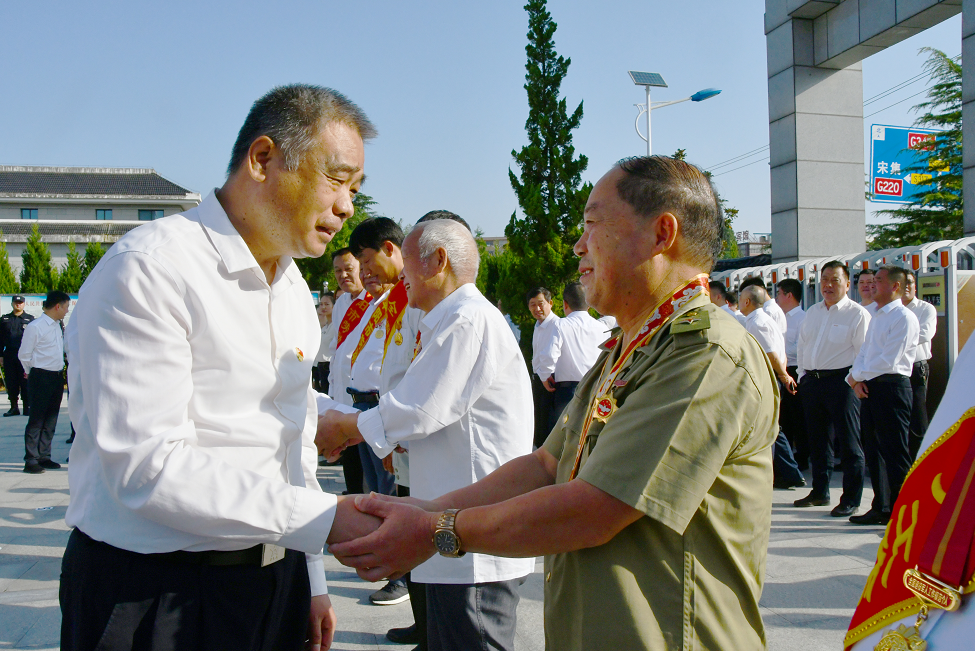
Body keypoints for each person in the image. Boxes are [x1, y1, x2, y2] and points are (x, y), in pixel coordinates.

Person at [323, 156, 779, 650]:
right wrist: (425, 511)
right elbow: (545, 465)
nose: (579, 245)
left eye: (592, 224)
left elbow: (596, 507)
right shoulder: (629, 348)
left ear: (661, 234)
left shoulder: (705, 354)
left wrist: (435, 527)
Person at [60, 84, 385, 651]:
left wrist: (310, 580)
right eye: (336, 180)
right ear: (262, 159)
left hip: (273, 577)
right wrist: (328, 520)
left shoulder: (291, 288)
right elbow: (148, 467)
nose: (347, 207)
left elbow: (289, 445)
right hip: (155, 590)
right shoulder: (152, 269)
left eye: (355, 189)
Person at [320, 218, 534, 651]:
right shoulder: (446, 319)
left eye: (408, 261)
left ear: (438, 261)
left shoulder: (467, 319)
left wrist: (347, 427)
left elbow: (419, 408)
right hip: (450, 522)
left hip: (473, 536)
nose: (402, 275)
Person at [794, 261, 871, 518]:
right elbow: (803, 345)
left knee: (849, 443)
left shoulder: (857, 314)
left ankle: (851, 498)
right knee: (818, 441)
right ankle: (820, 491)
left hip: (843, 382)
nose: (828, 285)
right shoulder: (813, 312)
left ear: (847, 284)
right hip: (813, 382)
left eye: (835, 280)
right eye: (824, 279)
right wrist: (802, 375)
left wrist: (854, 381)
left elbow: (863, 352)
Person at [847, 265, 919, 526]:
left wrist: (857, 376)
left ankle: (904, 513)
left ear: (895, 286)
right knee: (874, 450)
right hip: (870, 386)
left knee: (895, 452)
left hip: (891, 387)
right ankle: (881, 507)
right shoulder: (877, 315)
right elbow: (865, 352)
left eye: (878, 280)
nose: (871, 285)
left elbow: (889, 360)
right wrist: (855, 379)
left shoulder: (904, 317)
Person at [739, 285, 804, 489]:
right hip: (770, 377)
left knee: (769, 426)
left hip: (767, 378)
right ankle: (789, 473)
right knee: (772, 426)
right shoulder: (761, 320)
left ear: (747, 302)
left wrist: (783, 376)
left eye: (741, 299)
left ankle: (786, 473)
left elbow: (771, 353)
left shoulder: (757, 323)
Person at [539, 281, 607, 430]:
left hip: (567, 391)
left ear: (565, 304)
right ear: (588, 304)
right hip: (596, 388)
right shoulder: (602, 328)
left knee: (564, 435)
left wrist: (544, 376)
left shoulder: (560, 325)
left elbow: (549, 356)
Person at [328, 247, 367, 496]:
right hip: (342, 398)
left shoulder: (374, 301)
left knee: (370, 475)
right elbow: (336, 349)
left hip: (365, 400)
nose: (343, 275)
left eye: (348, 269)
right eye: (338, 271)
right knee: (351, 465)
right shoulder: (341, 303)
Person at [19, 291, 70, 473]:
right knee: (37, 419)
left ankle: (44, 456)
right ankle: (31, 459)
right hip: (40, 376)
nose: (66, 311)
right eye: (66, 307)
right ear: (57, 306)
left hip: (56, 376)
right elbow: (24, 354)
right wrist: (32, 372)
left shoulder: (57, 325)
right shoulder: (36, 326)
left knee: (50, 419)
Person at [901, 271, 937, 460]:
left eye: (910, 282)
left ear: (915, 286)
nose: (906, 286)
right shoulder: (889, 309)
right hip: (894, 370)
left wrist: (895, 339)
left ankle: (919, 460)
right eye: (902, 282)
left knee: (917, 418)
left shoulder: (925, 309)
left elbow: (925, 334)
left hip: (916, 369)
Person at [776, 278, 808, 470]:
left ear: (789, 295)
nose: (777, 298)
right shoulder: (780, 317)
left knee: (798, 416)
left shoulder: (803, 318)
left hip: (795, 369)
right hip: (782, 369)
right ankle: (786, 459)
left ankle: (802, 457)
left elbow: (800, 347)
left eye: (779, 293)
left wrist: (779, 352)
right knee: (784, 416)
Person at [527, 287, 559, 449]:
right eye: (533, 304)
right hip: (539, 379)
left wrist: (545, 377)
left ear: (550, 303)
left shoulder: (556, 324)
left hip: (550, 380)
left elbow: (552, 355)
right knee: (538, 421)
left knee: (548, 424)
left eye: (541, 303)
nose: (537, 308)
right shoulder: (538, 325)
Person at [1, 295, 34, 417]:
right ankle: (14, 407)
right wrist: (0, 355)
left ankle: (27, 407)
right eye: (16, 302)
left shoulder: (30, 319)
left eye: (20, 302)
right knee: (11, 382)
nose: (18, 304)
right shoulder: (4, 319)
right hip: (9, 354)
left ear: (24, 304)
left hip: (25, 355)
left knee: (25, 381)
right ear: (12, 303)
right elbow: (0, 339)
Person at [314, 293, 335, 394]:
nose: (323, 307)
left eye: (327, 304)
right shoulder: (325, 327)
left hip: (329, 366)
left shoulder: (336, 326)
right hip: (320, 367)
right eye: (321, 304)